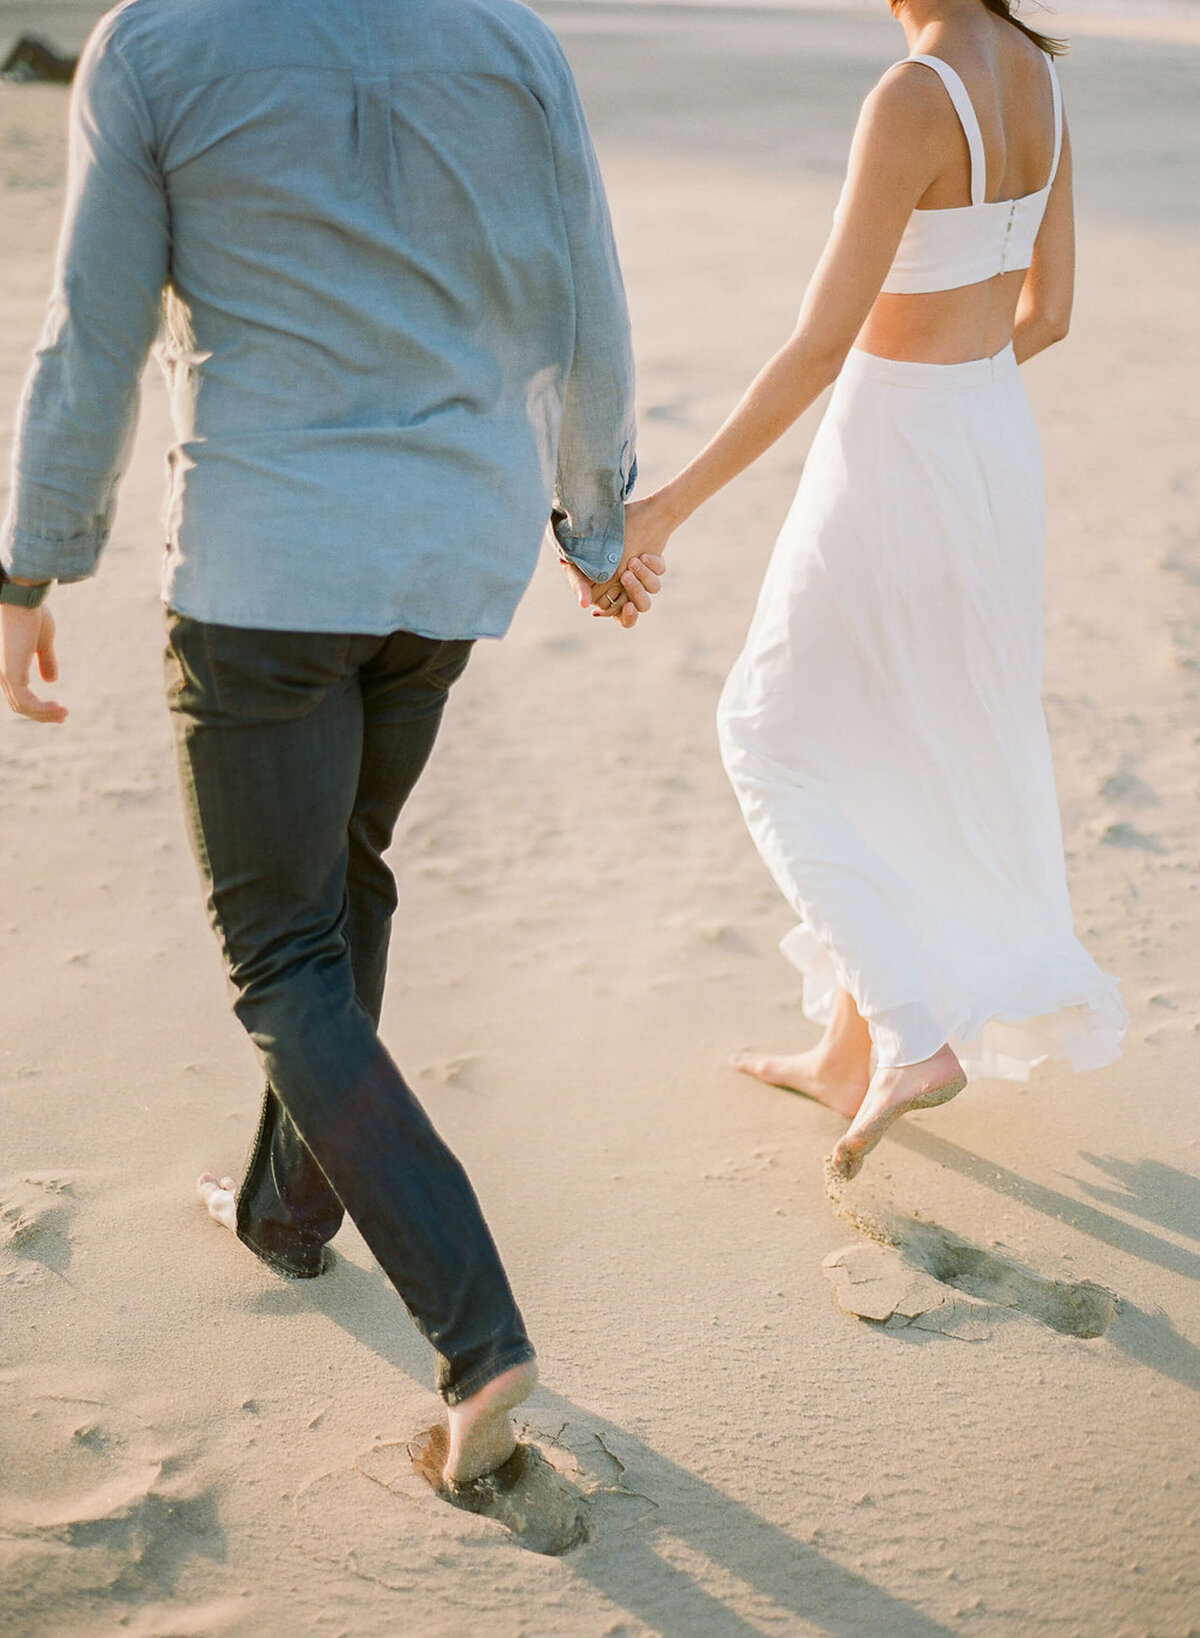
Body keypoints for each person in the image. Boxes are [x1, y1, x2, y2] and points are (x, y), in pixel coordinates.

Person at [0, 0, 662, 1491]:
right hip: (449, 557)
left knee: (279, 949)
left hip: (266, 564)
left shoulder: (159, 44)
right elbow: (585, 300)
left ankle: (478, 1334)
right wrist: (594, 516)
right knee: (341, 875)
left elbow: (93, 334)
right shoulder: (510, 39)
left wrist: (29, 569)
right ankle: (287, 1216)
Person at [620, 0, 1126, 1180]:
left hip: (894, 448)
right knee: (891, 735)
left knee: (765, 731)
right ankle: (845, 1053)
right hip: (992, 439)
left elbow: (815, 346)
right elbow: (1048, 314)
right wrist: (965, 385)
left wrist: (662, 511)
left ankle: (907, 1029)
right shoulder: (1038, 77)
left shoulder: (910, 97)